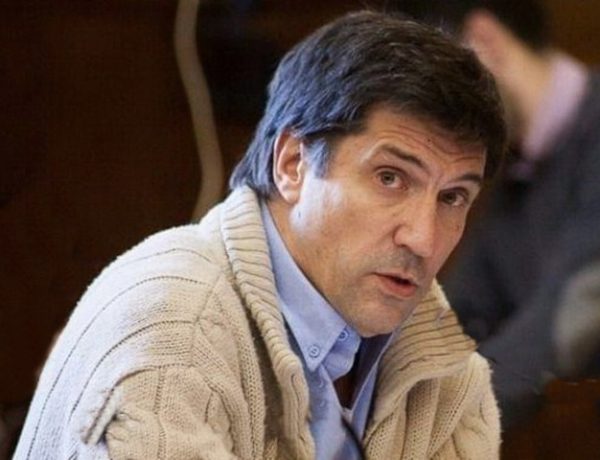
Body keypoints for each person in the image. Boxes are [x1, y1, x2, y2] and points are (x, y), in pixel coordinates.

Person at [14, 11, 507, 459]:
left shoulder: (445, 373)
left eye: (452, 197)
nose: (423, 239)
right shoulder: (173, 330)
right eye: (390, 178)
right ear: (292, 165)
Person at [389, 0, 600, 427]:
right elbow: (453, 316)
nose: (429, 120)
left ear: (484, 40)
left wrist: (422, 425)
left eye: (431, 90)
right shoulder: (518, 165)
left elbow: (567, 322)